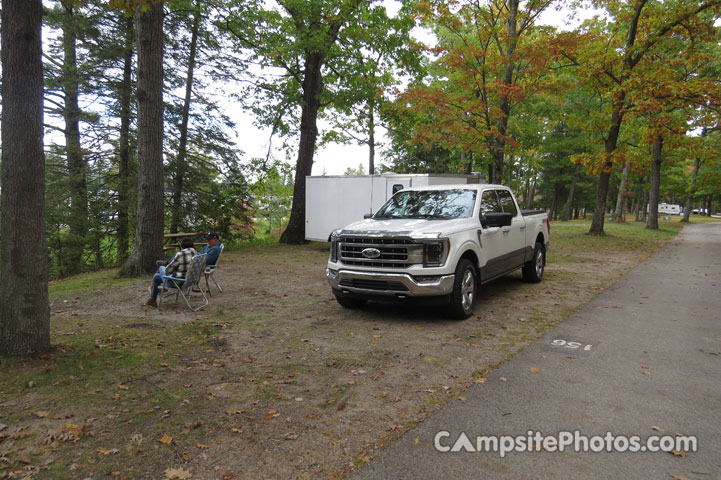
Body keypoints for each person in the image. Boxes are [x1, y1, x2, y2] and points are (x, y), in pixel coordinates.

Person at [144, 237, 197, 307]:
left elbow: (168, 270)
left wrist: (168, 266)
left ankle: (153, 291)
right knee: (156, 277)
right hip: (190, 281)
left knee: (161, 268)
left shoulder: (180, 254)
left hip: (177, 283)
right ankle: (152, 300)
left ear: (182, 246)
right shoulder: (196, 253)